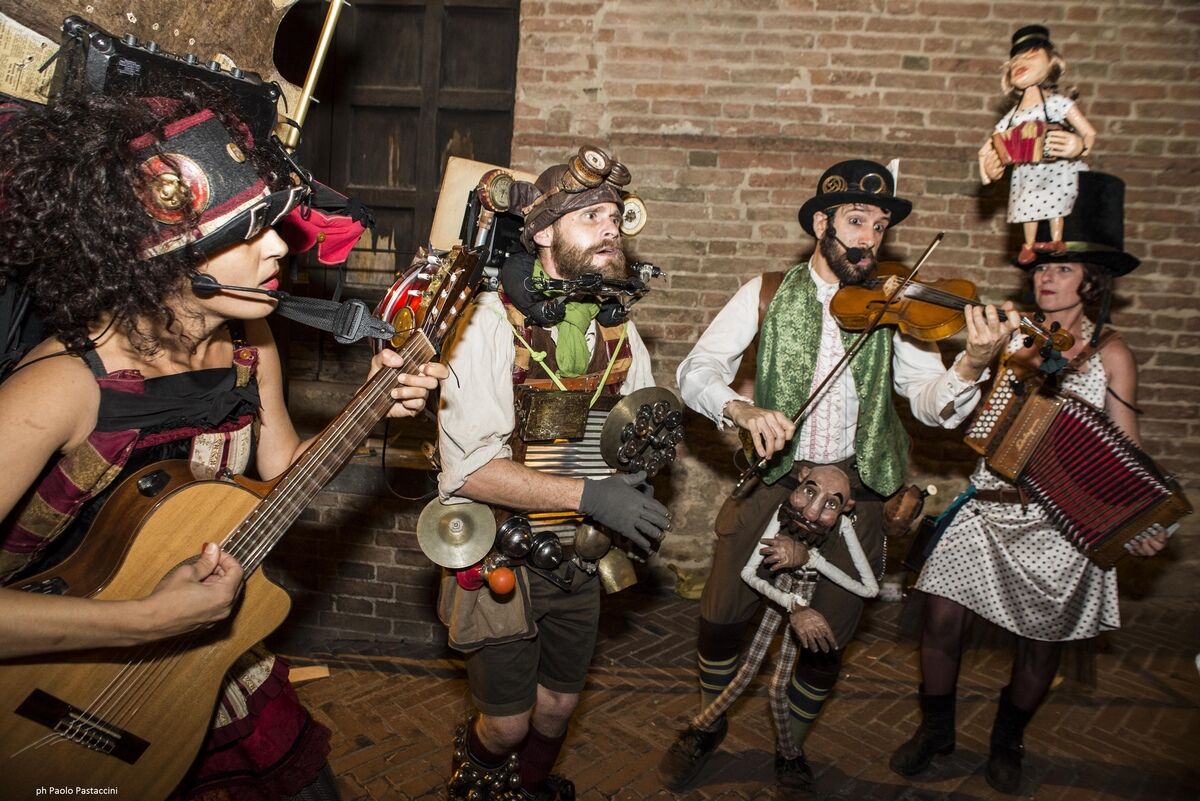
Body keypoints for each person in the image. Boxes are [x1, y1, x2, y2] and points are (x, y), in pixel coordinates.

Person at [0, 86, 444, 800]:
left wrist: (374, 406)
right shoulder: (59, 387)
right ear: (168, 257)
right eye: (248, 231)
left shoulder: (249, 339)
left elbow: (283, 470)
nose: (281, 245)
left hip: (209, 671)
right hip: (54, 692)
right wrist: (144, 621)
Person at [661, 159, 1020, 792]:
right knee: (720, 618)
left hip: (860, 488)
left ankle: (791, 745)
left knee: (828, 639)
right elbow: (696, 370)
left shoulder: (896, 306)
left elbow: (929, 405)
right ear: (821, 223)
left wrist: (970, 365)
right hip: (776, 476)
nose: (869, 240)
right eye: (857, 222)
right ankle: (708, 723)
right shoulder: (766, 291)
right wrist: (740, 408)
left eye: (879, 228)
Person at [889, 171, 1167, 795]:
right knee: (939, 617)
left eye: (1063, 268)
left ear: (1093, 281)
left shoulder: (1112, 353)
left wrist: (1143, 519)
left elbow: (1126, 448)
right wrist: (980, 357)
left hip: (1062, 524)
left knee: (1042, 643)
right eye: (1041, 267)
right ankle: (936, 732)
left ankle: (1007, 741)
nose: (1047, 278)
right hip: (987, 506)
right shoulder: (1011, 333)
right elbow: (963, 412)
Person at [435, 147, 670, 801]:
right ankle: (475, 786)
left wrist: (642, 473)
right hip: (501, 556)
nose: (610, 229)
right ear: (541, 232)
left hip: (581, 556)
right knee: (507, 723)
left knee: (557, 708)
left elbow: (638, 433)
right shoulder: (487, 325)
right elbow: (469, 472)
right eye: (590, 216)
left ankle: (530, 789)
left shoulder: (619, 335)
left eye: (615, 217)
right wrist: (594, 495)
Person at [978, 25, 1097, 266]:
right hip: (1026, 174)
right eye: (1015, 59)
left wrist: (1079, 146)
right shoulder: (1012, 116)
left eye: (1030, 55)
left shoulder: (1057, 104)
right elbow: (986, 149)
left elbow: (1089, 133)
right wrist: (988, 173)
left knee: (1056, 204)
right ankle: (1029, 245)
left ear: (1051, 63)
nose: (1020, 62)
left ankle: (1056, 239)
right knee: (1027, 208)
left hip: (1055, 168)